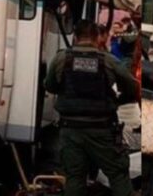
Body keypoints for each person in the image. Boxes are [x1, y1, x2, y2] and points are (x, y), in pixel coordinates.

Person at [44, 20, 139, 196]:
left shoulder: (61, 58)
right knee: (117, 175)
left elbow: (49, 86)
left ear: (75, 38)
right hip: (102, 131)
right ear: (97, 38)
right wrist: (118, 98)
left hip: (70, 130)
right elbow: (132, 87)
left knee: (74, 177)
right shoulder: (108, 61)